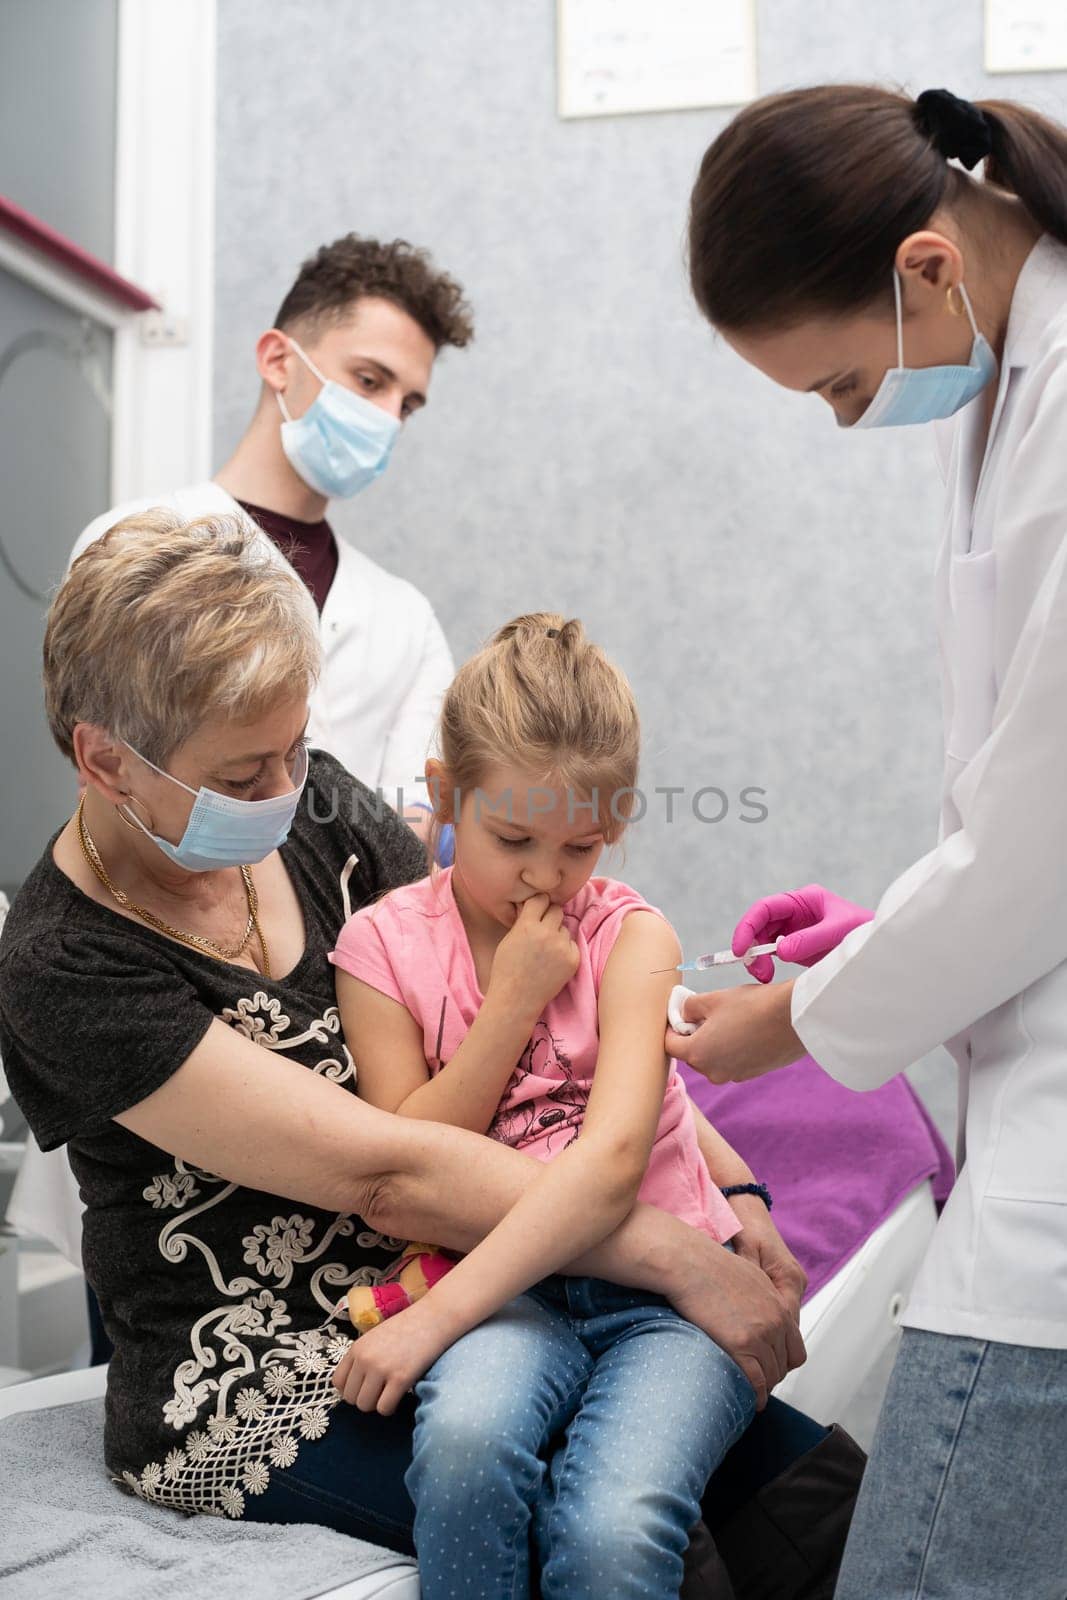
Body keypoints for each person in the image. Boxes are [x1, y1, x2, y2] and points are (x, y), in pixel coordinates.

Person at [0, 509, 859, 1594]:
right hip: (269, 1367)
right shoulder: (61, 963)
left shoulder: (313, 811)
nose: (282, 788)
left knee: (818, 1494)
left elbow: (561, 1038)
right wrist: (675, 1253)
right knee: (603, 1523)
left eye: (292, 748)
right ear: (105, 759)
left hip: (487, 1275)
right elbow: (386, 1170)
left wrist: (735, 1200)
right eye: (242, 771)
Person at [672, 85, 1067, 1598]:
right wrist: (887, 942)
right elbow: (1007, 808)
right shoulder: (1009, 385)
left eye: (837, 387)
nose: (849, 424)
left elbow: (1036, 842)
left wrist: (796, 1020)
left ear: (921, 267)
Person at [328, 615, 804, 1598]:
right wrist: (508, 1007)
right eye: (512, 839)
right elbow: (411, 1164)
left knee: (612, 1527)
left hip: (667, 1307)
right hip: (505, 1295)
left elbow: (612, 1160)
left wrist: (428, 1324)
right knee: (463, 1450)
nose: (546, 876)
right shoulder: (381, 951)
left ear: (617, 821)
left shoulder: (632, 938)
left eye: (578, 845)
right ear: (442, 793)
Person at [71, 233, 471, 812]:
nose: (388, 419)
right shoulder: (134, 545)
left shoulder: (406, 618)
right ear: (279, 360)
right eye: (369, 381)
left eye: (406, 405)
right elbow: (114, 800)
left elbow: (411, 831)